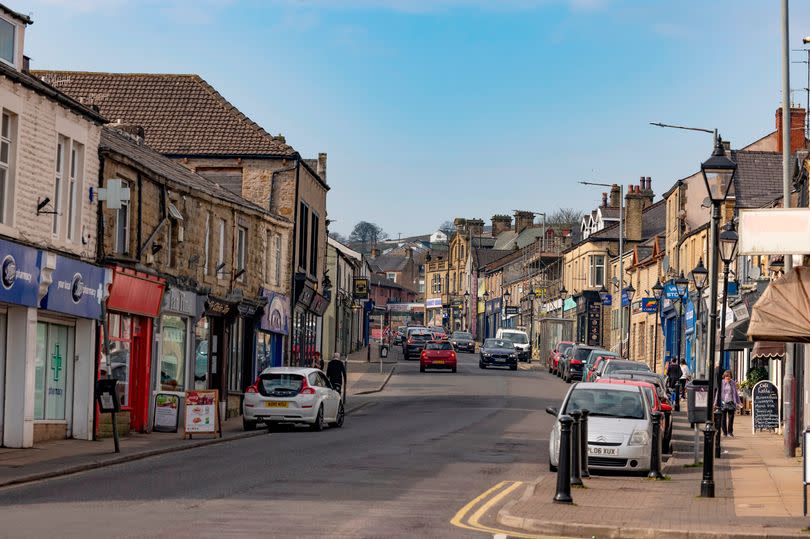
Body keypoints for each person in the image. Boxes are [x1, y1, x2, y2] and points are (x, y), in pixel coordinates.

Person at [717, 370, 741, 437]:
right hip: (723, 402)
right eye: (726, 376)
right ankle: (724, 432)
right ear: (724, 376)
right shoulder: (721, 383)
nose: (728, 377)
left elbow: (735, 393)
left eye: (729, 376)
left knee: (731, 419)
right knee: (723, 419)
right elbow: (718, 393)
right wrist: (716, 402)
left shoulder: (732, 383)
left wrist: (739, 402)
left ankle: (730, 432)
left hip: (731, 402)